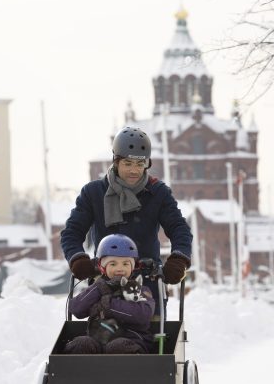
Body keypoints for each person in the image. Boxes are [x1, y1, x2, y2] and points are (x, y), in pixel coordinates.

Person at [65, 233, 172, 384]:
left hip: (131, 343)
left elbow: (143, 313)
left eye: (125, 263)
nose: (120, 268)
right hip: (97, 341)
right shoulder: (97, 287)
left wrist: (111, 305)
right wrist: (99, 289)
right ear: (102, 267)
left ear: (133, 266)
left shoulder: (141, 289)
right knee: (80, 344)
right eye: (112, 263)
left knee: (118, 346)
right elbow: (76, 309)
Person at [61, 125, 192, 308]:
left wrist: (179, 258)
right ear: (116, 162)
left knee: (150, 334)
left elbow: (179, 228)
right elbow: (72, 232)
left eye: (140, 164)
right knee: (101, 329)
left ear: (147, 164)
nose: (134, 170)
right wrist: (77, 258)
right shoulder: (93, 192)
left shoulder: (158, 192)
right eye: (128, 164)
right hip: (105, 280)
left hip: (147, 282)